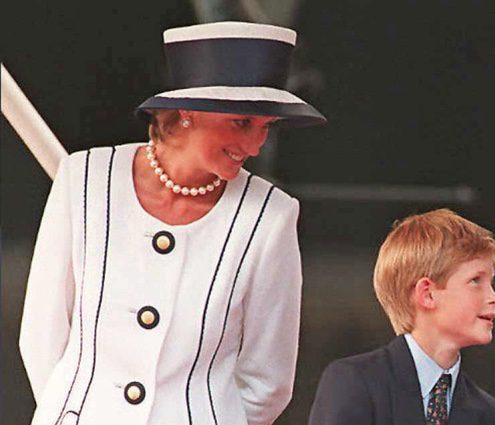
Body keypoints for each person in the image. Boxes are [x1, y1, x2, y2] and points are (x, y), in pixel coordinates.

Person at [19, 21, 325, 425]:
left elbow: (268, 380)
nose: (255, 146)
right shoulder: (83, 178)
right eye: (241, 123)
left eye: (265, 127)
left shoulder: (271, 215)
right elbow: (43, 335)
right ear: (187, 111)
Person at [308, 209, 495, 424]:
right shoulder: (354, 382)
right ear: (427, 294)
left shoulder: (485, 410)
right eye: (476, 280)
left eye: (491, 282)